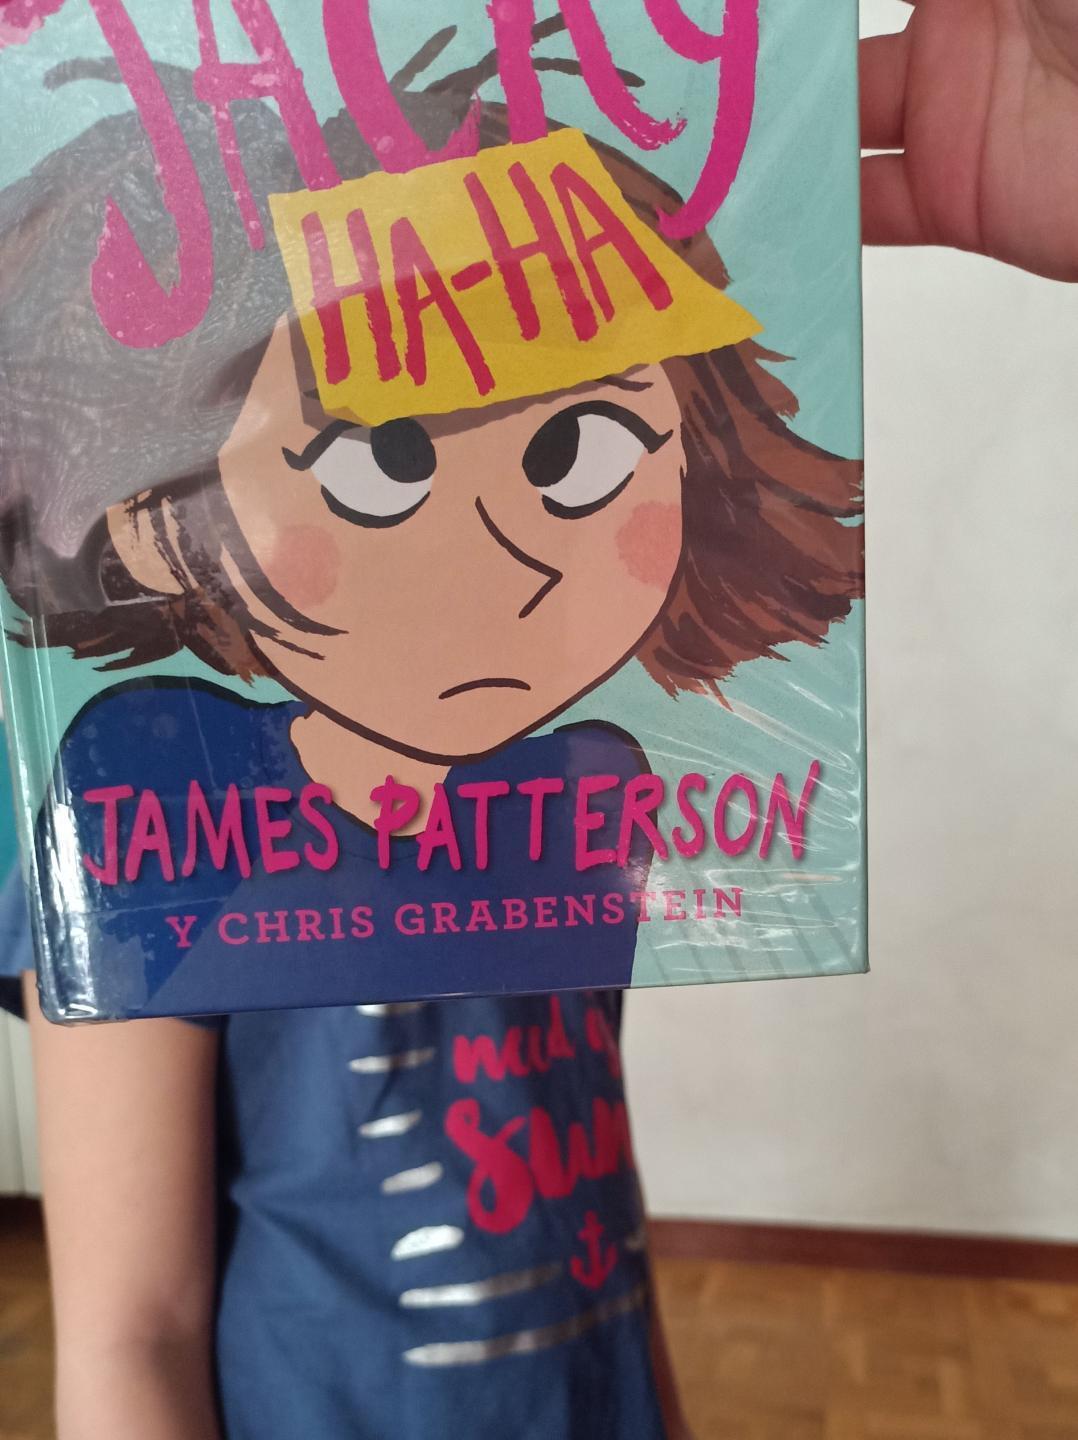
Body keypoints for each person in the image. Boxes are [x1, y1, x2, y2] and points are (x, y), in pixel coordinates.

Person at [2, 0, 1075, 1437]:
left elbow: (587, 1177)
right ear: (151, 522)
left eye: (579, 450)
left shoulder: (589, 776)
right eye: (381, 464)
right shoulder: (143, 796)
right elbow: (129, 1330)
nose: (509, 557)